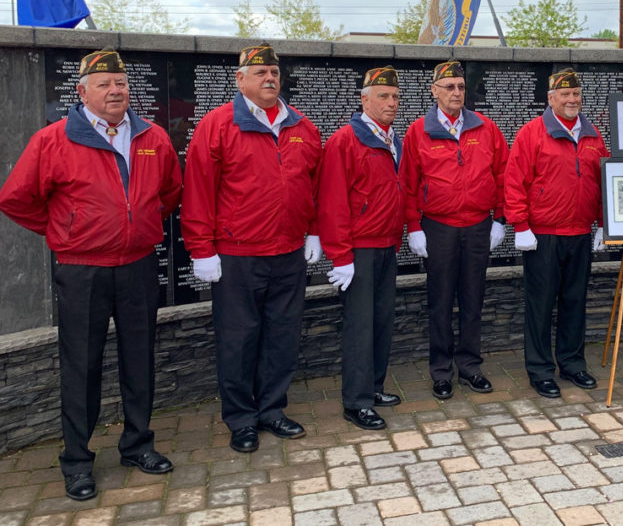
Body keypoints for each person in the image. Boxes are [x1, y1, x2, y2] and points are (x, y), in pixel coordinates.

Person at [0, 49, 182, 500]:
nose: (115, 91)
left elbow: (170, 191)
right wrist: (68, 230)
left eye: (120, 83)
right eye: (104, 84)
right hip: (83, 270)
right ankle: (78, 460)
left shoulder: (152, 137)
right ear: (82, 92)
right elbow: (16, 198)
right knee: (81, 366)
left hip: (138, 265)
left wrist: (136, 224)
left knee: (139, 359)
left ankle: (138, 444)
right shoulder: (53, 140)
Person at [182, 42, 323, 452]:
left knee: (282, 335)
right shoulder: (218, 124)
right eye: (259, 73)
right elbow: (198, 191)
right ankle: (242, 418)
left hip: (287, 252)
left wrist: (312, 231)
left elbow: (313, 185)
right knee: (239, 339)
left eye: (274, 72)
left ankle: (273, 409)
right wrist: (201, 249)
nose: (269, 79)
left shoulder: (301, 125)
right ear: (240, 79)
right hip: (238, 253)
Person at [401, 60, 509, 400]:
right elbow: (407, 183)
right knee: (441, 301)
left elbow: (503, 175)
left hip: (477, 226)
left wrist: (500, 219)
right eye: (449, 87)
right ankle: (441, 371)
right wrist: (414, 226)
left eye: (461, 87)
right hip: (439, 228)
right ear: (434, 91)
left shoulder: (486, 128)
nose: (457, 92)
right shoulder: (418, 130)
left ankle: (470, 367)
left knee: (474, 299)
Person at [505, 67, 609, 398]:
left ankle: (573, 363)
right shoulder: (532, 133)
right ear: (550, 98)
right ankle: (539, 369)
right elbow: (514, 181)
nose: (572, 99)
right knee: (540, 305)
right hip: (543, 235)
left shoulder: (593, 136)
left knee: (575, 302)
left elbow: (604, 182)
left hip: (579, 231)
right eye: (564, 94)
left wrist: (605, 223)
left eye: (576, 94)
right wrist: (520, 225)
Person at [319, 66, 406, 429]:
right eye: (382, 96)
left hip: (387, 244)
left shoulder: (391, 139)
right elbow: (332, 201)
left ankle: (373, 387)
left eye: (395, 97)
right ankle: (355, 401)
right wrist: (340, 255)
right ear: (364, 99)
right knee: (359, 326)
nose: (390, 102)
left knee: (381, 321)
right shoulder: (346, 140)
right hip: (359, 250)